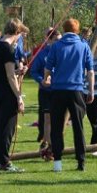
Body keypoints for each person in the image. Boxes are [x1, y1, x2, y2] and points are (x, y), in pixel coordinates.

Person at [43, 18, 94, 172]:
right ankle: (81, 162)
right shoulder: (84, 46)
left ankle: (57, 162)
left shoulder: (56, 46)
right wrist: (91, 91)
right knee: (78, 127)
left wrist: (46, 79)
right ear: (77, 30)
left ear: (64, 30)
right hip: (76, 90)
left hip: (58, 90)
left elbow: (48, 67)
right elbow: (90, 71)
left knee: (57, 127)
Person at [0, 18, 28, 173]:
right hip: (7, 93)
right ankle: (5, 161)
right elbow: (10, 75)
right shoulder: (9, 49)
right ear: (17, 32)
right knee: (7, 128)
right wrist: (19, 96)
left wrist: (18, 72)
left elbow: (2, 71)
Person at [30, 28, 61, 158]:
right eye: (56, 40)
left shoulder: (62, 52)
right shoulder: (42, 54)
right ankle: (48, 146)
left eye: (60, 40)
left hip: (59, 91)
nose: (59, 43)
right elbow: (34, 71)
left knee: (59, 120)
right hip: (46, 91)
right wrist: (41, 80)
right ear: (48, 40)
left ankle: (50, 144)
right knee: (47, 119)